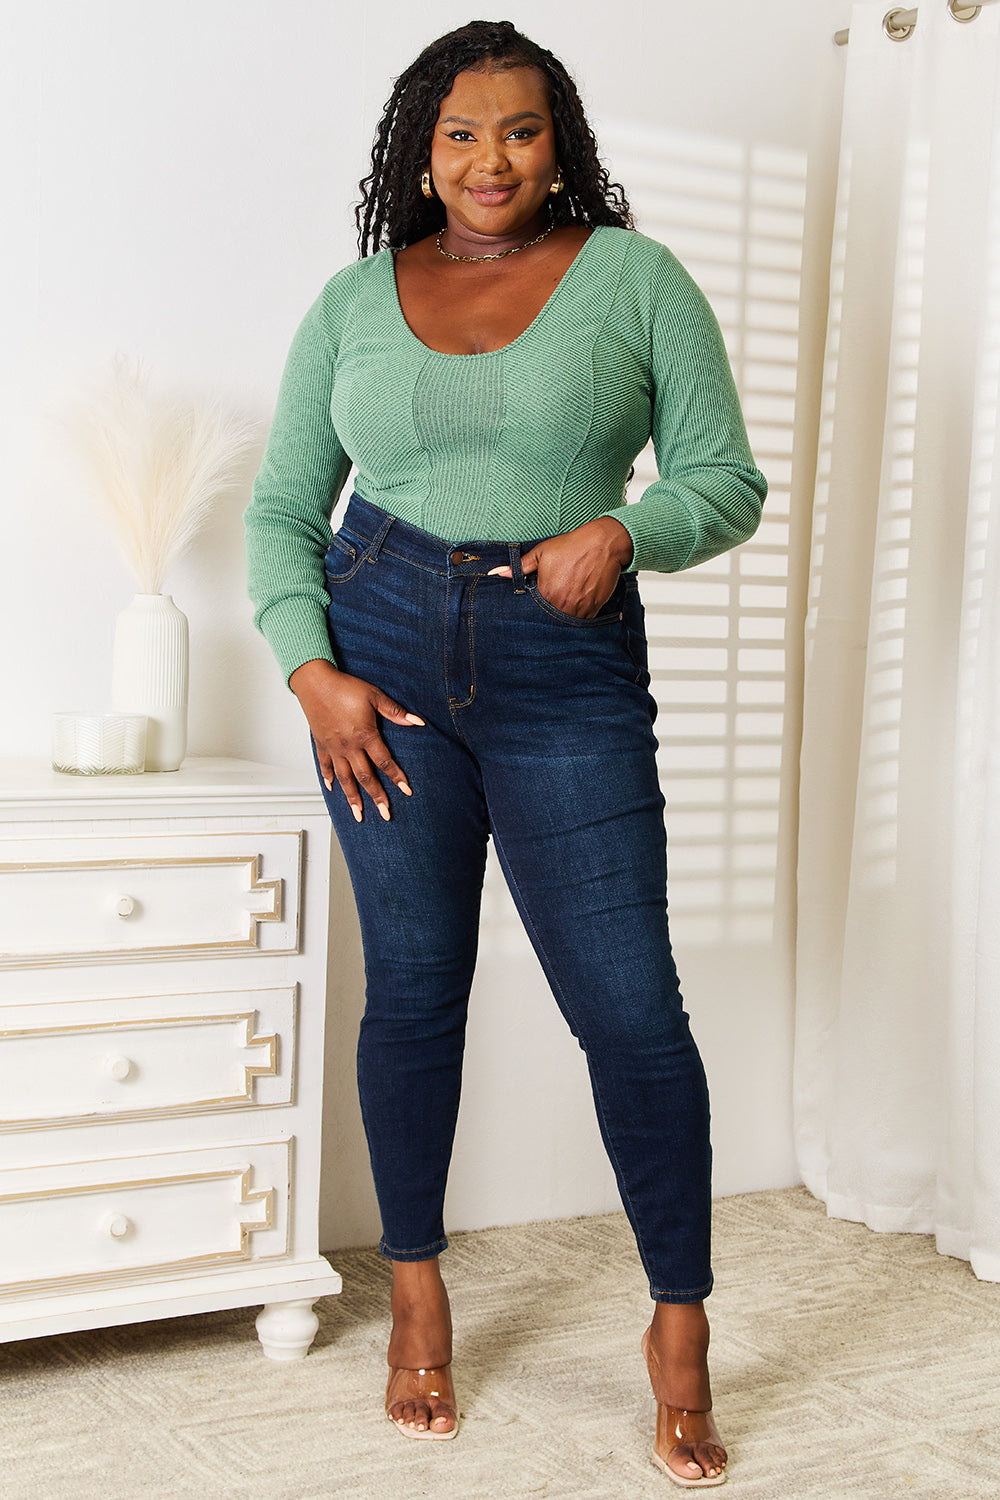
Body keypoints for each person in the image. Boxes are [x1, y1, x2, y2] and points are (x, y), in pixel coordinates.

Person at [245, 18, 765, 1487]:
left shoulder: (635, 281)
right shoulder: (354, 299)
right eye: (462, 133)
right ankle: (416, 1286)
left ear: (562, 144)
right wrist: (310, 674)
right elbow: (285, 510)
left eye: (521, 131)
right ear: (424, 146)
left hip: (562, 664)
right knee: (413, 998)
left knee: (632, 1014)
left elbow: (723, 475)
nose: (490, 161)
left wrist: (627, 530)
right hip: (380, 657)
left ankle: (678, 1321)